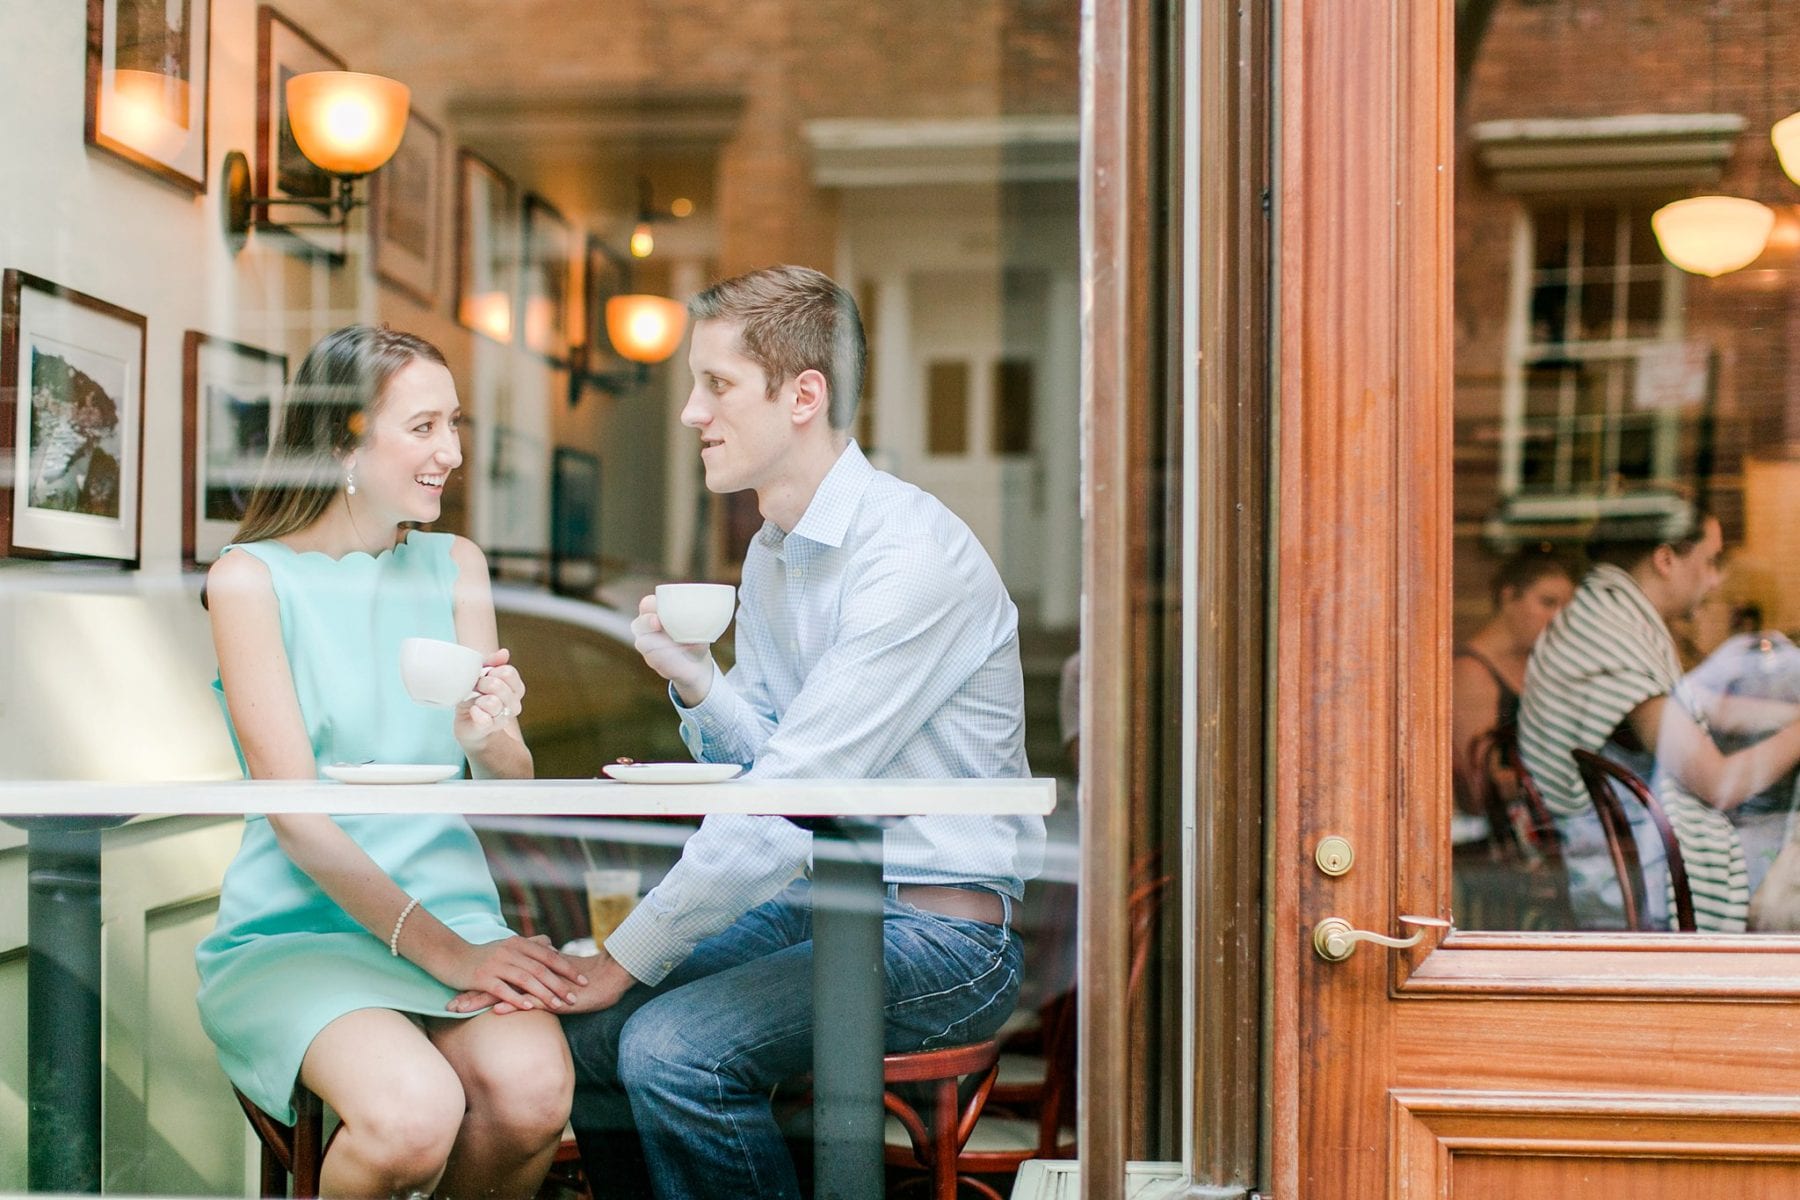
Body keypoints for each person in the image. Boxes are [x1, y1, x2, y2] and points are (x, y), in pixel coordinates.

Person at [456, 266, 1045, 1199]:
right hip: (826, 909)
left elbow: (783, 803)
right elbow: (769, 758)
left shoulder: (910, 557)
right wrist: (698, 682)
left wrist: (622, 955)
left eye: (717, 385)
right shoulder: (774, 549)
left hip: (943, 942)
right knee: (591, 1037)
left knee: (672, 1050)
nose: (692, 412)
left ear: (803, 395)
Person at [195, 325, 581, 1200]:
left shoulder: (456, 565)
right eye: (423, 427)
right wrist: (446, 955)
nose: (450, 452)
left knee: (534, 1096)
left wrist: (492, 744)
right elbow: (297, 815)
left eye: (455, 425)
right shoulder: (250, 580)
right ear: (342, 440)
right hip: (300, 933)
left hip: (453, 916)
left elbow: (507, 793)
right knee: (411, 1117)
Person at [1517, 500, 1800, 931]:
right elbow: (1718, 784)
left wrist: (1787, 715)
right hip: (1636, 879)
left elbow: (1707, 708)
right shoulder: (1611, 634)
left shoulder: (1607, 617)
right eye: (1709, 561)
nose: (1715, 578)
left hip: (1624, 854)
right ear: (1666, 560)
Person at [1450, 547, 1575, 840]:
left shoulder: (1540, 663)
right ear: (1508, 596)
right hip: (1497, 842)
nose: (1557, 617)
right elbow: (1478, 786)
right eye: (1547, 602)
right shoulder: (1471, 671)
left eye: (1565, 607)